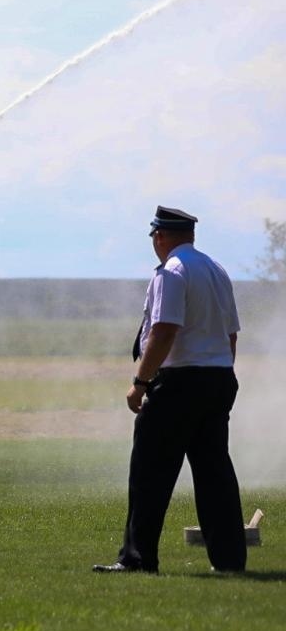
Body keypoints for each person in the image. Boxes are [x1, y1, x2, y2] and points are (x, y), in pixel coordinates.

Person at [95, 206, 245, 574]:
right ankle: (229, 561)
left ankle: (137, 559)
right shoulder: (216, 270)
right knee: (215, 474)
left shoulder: (172, 272)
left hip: (179, 383)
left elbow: (164, 330)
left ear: (160, 237)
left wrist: (140, 383)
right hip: (218, 377)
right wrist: (219, 371)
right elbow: (231, 334)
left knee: (150, 472)